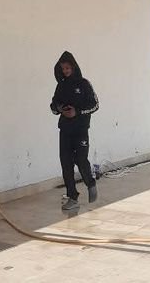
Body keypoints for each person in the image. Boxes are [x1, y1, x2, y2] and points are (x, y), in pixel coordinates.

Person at [50, 51, 99, 210]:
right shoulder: (61, 86)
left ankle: (90, 183)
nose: (65, 71)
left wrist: (76, 112)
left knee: (81, 159)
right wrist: (60, 109)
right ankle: (72, 196)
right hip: (65, 130)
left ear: (73, 66)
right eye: (63, 68)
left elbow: (95, 105)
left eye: (67, 68)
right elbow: (53, 106)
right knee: (66, 163)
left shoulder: (84, 84)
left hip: (81, 130)